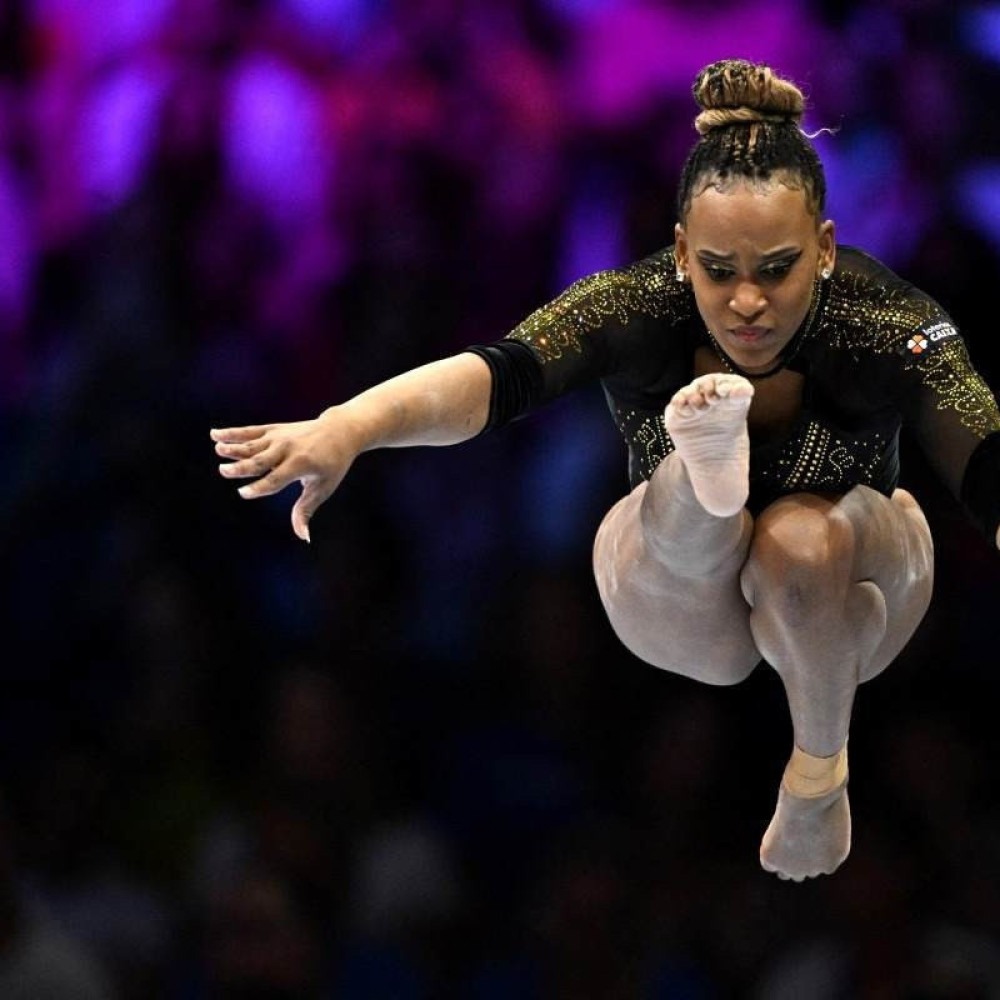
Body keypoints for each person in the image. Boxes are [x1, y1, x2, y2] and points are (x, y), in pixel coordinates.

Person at [210, 58, 1000, 882]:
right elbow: (496, 376)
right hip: (685, 595)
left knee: (803, 544)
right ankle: (704, 483)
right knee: (681, 508)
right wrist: (349, 426)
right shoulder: (635, 304)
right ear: (683, 251)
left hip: (851, 590)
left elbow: (971, 431)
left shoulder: (884, 317)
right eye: (719, 272)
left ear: (827, 249)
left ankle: (816, 775)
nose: (747, 303)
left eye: (778, 269)